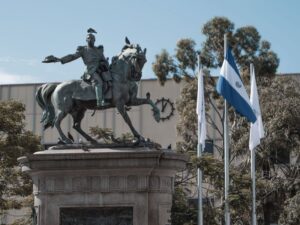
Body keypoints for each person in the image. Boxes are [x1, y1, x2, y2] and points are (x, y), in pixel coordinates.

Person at [44, 29, 111, 107]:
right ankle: (100, 102)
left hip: (101, 70)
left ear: (94, 40)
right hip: (91, 71)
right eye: (88, 38)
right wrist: (60, 59)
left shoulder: (98, 50)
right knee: (98, 82)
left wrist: (104, 63)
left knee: (111, 81)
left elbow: (104, 60)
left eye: (92, 38)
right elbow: (73, 56)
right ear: (86, 40)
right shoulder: (83, 50)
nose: (90, 40)